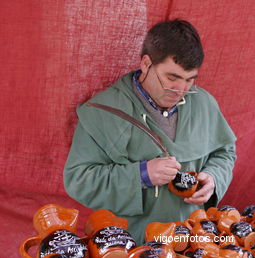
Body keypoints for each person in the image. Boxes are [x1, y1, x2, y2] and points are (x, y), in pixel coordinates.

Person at [63, 19, 237, 244]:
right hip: (129, 244)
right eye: (171, 78)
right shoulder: (102, 111)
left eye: (189, 80)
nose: (180, 90)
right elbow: (79, 179)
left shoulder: (204, 103)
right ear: (146, 63)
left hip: (193, 241)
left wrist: (214, 178)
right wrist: (141, 175)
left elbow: (225, 152)